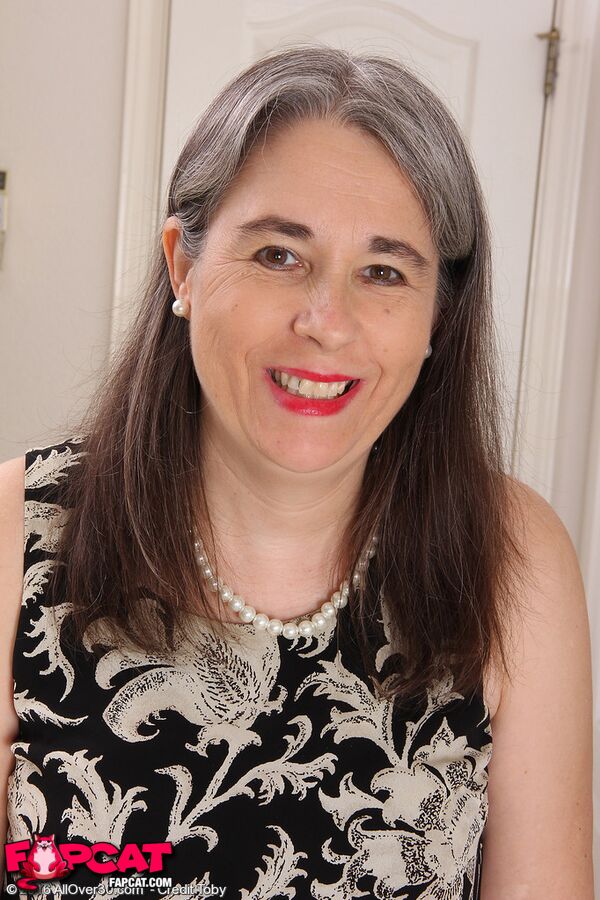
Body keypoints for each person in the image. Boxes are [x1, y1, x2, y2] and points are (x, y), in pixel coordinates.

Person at [0, 43, 593, 900]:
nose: (326, 320)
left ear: (438, 317)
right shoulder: (15, 536)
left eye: (384, 272)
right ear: (183, 266)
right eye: (279, 254)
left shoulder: (513, 556)